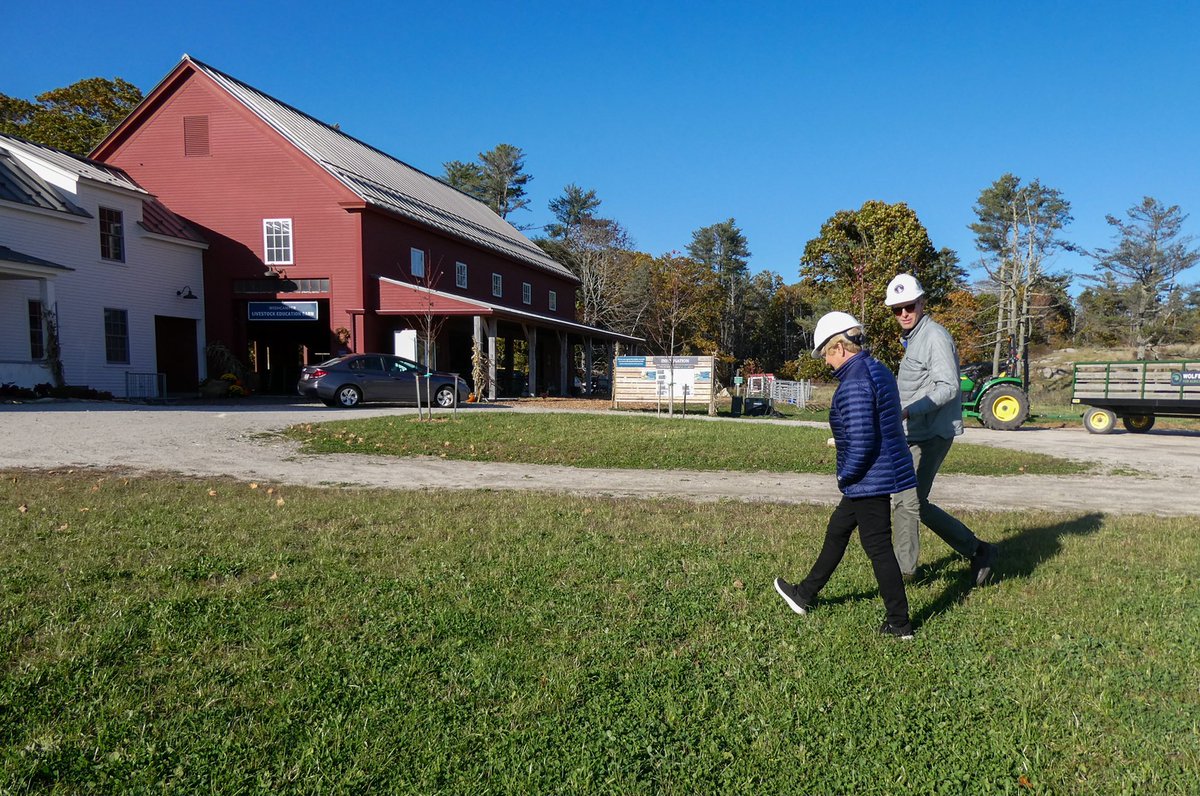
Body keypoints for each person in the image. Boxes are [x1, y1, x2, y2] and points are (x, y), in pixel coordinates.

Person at [774, 312, 918, 639]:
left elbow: (863, 440)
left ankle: (900, 623)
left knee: (878, 546)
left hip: (868, 476)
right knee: (838, 529)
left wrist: (846, 475)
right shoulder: (878, 370)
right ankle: (804, 594)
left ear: (839, 346)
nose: (826, 361)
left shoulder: (854, 382)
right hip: (879, 472)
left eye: (825, 353)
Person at [885, 273, 997, 586]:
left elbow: (948, 387)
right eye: (897, 309)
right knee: (907, 501)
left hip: (932, 433)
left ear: (922, 303)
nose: (903, 313)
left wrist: (909, 410)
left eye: (909, 305)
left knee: (910, 502)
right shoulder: (914, 338)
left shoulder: (933, 336)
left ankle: (972, 552)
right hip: (913, 432)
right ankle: (912, 568)